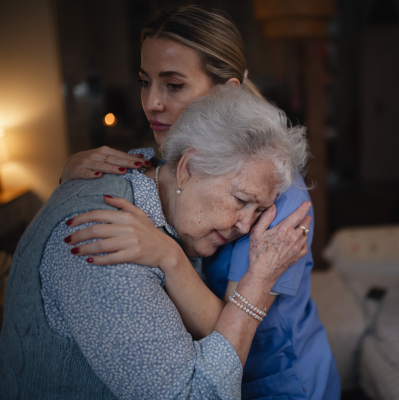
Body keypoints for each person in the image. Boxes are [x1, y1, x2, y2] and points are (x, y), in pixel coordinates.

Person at [58, 5, 340, 399]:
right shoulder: (176, 161)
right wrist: (71, 173)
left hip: (278, 380)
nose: (152, 102)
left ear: (227, 93)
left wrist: (168, 258)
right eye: (145, 82)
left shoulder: (275, 190)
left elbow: (226, 327)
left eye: (173, 85)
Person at [0, 86, 312, 399]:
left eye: (258, 210)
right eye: (241, 200)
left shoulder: (155, 187)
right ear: (188, 168)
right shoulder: (110, 239)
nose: (246, 225)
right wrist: (259, 279)